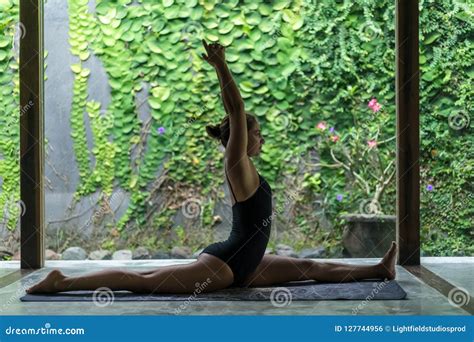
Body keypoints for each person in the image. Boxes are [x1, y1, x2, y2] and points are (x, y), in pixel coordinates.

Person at [26, 40, 397, 295]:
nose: (261, 139)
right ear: (240, 137)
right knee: (145, 279)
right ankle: (61, 280)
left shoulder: (249, 166)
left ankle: (379, 269)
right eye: (257, 133)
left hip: (250, 265)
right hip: (226, 264)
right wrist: (221, 65)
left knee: (311, 270)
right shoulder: (237, 164)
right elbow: (236, 111)